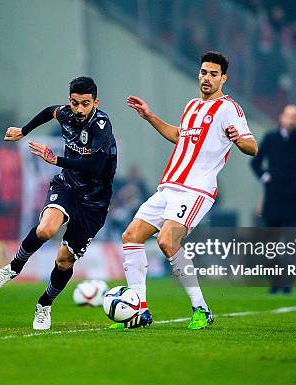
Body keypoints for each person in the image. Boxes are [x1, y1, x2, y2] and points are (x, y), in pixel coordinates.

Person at [119, 51, 258, 330]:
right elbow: (178, 135)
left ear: (223, 78)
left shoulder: (230, 108)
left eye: (213, 74)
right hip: (169, 186)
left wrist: (238, 140)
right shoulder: (192, 105)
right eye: (204, 72)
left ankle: (201, 309)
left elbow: (252, 146)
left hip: (197, 190)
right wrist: (149, 117)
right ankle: (140, 310)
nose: (207, 78)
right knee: (131, 236)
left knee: (167, 241)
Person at [0, 77, 117, 330]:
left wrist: (55, 159)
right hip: (67, 186)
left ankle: (44, 304)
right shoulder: (66, 113)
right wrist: (23, 130)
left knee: (64, 261)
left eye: (85, 104)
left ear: (95, 103)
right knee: (46, 229)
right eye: (75, 103)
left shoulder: (101, 125)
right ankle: (13, 267)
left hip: (94, 203)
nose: (79, 109)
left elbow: (95, 166)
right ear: (70, 100)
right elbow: (49, 112)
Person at [250, 104, 296, 293]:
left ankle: (287, 283)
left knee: (291, 246)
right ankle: (275, 282)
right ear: (282, 117)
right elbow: (256, 162)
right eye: (289, 115)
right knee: (269, 245)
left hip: (293, 200)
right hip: (272, 199)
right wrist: (265, 177)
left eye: (295, 116)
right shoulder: (270, 139)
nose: (291, 120)